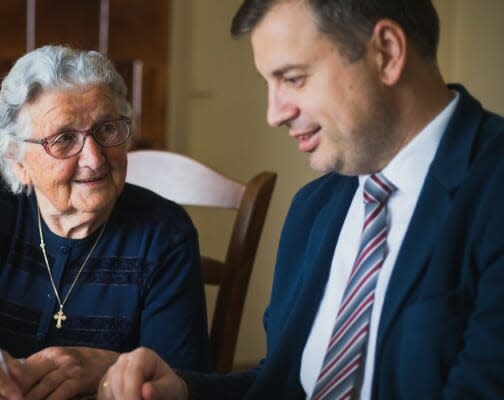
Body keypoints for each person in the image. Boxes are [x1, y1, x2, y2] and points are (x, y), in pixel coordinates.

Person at [98, 0, 504, 399]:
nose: (273, 114)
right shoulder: (313, 208)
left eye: (293, 78)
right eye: (268, 84)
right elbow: (280, 384)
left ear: (387, 53)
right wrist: (185, 391)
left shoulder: (492, 189)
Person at [0, 45, 210, 400]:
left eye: (107, 129)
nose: (94, 157)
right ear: (17, 161)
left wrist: (105, 367)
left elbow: (182, 382)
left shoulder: (164, 234)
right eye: (64, 139)